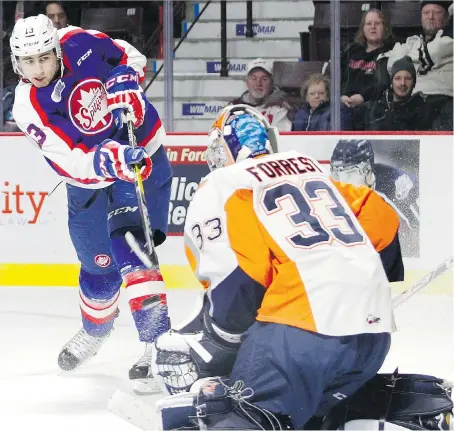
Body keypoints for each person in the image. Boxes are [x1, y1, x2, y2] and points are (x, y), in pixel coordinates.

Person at [146, 105, 404, 430]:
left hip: (297, 338)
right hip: (372, 336)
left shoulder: (224, 183)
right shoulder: (311, 171)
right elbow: (381, 215)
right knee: (312, 418)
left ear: (225, 147)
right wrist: (357, 282)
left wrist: (216, 345)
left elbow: (241, 277)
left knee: (247, 416)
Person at [10, 15, 172, 384]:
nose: (37, 70)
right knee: (99, 268)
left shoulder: (78, 40)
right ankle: (97, 329)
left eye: (44, 59)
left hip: (139, 153)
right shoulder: (27, 106)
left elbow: (127, 56)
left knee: (132, 246)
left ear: (56, 50)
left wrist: (127, 80)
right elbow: (72, 160)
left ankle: (158, 342)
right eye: (28, 61)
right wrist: (110, 158)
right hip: (88, 180)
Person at [330, 139, 419, 257]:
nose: (341, 181)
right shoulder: (333, 190)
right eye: (336, 172)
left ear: (366, 171)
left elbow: (424, 230)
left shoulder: (397, 187)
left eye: (349, 173)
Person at [377, 1, 453, 130]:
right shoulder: (411, 42)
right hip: (413, 101)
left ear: (445, 17)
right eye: (426, 12)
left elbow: (436, 51)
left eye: (436, 12)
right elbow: (388, 62)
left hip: (444, 100)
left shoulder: (450, 39)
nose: (430, 16)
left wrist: (407, 59)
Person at [352, 56, 430, 131]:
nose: (402, 83)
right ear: (391, 82)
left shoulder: (420, 111)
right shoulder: (373, 107)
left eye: (408, 78)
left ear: (414, 83)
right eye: (397, 78)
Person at [340, 8, 395, 108]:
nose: (373, 27)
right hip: (343, 103)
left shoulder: (391, 52)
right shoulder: (351, 50)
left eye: (377, 23)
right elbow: (336, 76)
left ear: (385, 27)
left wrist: (363, 97)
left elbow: (384, 83)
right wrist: (340, 97)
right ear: (363, 28)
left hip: (372, 106)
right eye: (369, 23)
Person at [228, 58, 292, 131]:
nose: (258, 83)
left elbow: (280, 138)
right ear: (247, 82)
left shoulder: (280, 108)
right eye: (254, 78)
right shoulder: (232, 107)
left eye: (264, 79)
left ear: (271, 83)